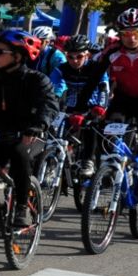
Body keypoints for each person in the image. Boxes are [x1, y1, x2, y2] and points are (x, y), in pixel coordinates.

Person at [76, 7, 138, 229]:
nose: (131, 38)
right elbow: (92, 81)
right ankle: (109, 173)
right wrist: (80, 111)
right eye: (125, 33)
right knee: (105, 135)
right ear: (119, 34)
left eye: (137, 33)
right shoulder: (111, 51)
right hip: (123, 101)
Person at [0, 28, 59, 227]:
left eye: (0, 52)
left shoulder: (36, 80)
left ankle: (22, 206)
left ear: (18, 56)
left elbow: (49, 105)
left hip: (28, 134)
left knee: (19, 153)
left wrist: (38, 125)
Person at [51, 34, 109, 176]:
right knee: (55, 129)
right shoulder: (62, 68)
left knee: (91, 126)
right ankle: (56, 158)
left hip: (93, 106)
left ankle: (88, 160)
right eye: (70, 57)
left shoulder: (96, 68)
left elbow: (104, 88)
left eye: (79, 56)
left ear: (87, 55)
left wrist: (100, 107)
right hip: (71, 106)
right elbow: (50, 86)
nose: (74, 60)